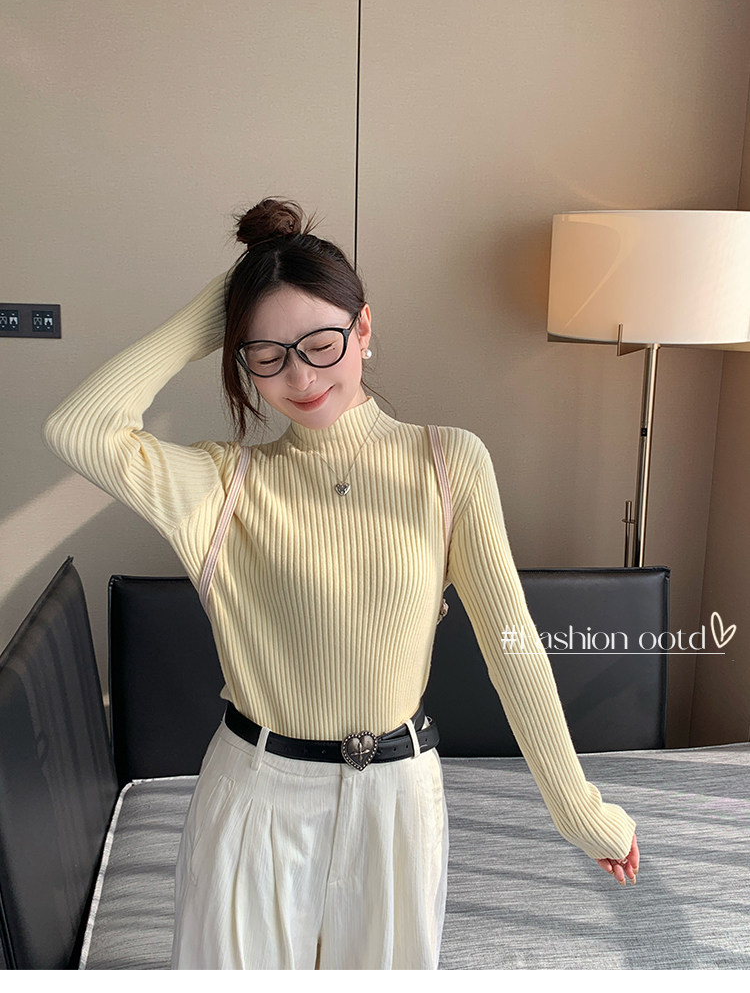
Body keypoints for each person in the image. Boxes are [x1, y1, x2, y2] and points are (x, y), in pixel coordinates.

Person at [42, 197, 638, 970]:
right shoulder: (220, 486)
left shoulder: (448, 462)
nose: (300, 375)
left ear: (363, 328)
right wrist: (215, 310)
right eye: (267, 355)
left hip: (398, 805)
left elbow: (511, 645)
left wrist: (579, 810)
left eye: (322, 343)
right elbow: (78, 429)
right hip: (254, 801)